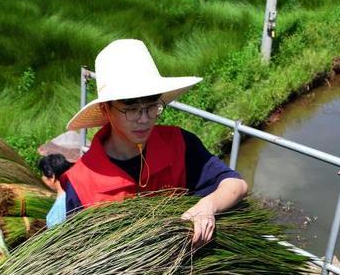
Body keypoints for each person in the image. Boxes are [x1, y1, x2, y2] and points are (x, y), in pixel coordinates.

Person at [64, 39, 248, 247]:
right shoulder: (82, 183)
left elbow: (236, 184)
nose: (144, 119)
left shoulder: (179, 144)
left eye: (152, 106)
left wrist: (208, 206)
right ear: (106, 109)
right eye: (131, 109)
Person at [37, 153, 72, 227]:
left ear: (52, 177)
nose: (42, 178)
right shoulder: (74, 195)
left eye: (43, 175)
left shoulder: (57, 210)